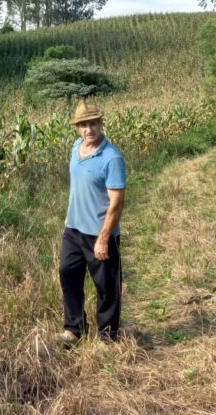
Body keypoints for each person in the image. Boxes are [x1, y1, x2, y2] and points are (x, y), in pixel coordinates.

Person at [57, 99, 126, 348]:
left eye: (93, 123)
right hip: (73, 227)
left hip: (98, 232)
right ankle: (74, 329)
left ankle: (108, 336)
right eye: (84, 125)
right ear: (77, 127)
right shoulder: (77, 147)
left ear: (101, 123)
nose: (89, 129)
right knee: (67, 273)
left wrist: (104, 237)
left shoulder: (111, 157)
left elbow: (117, 201)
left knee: (106, 286)